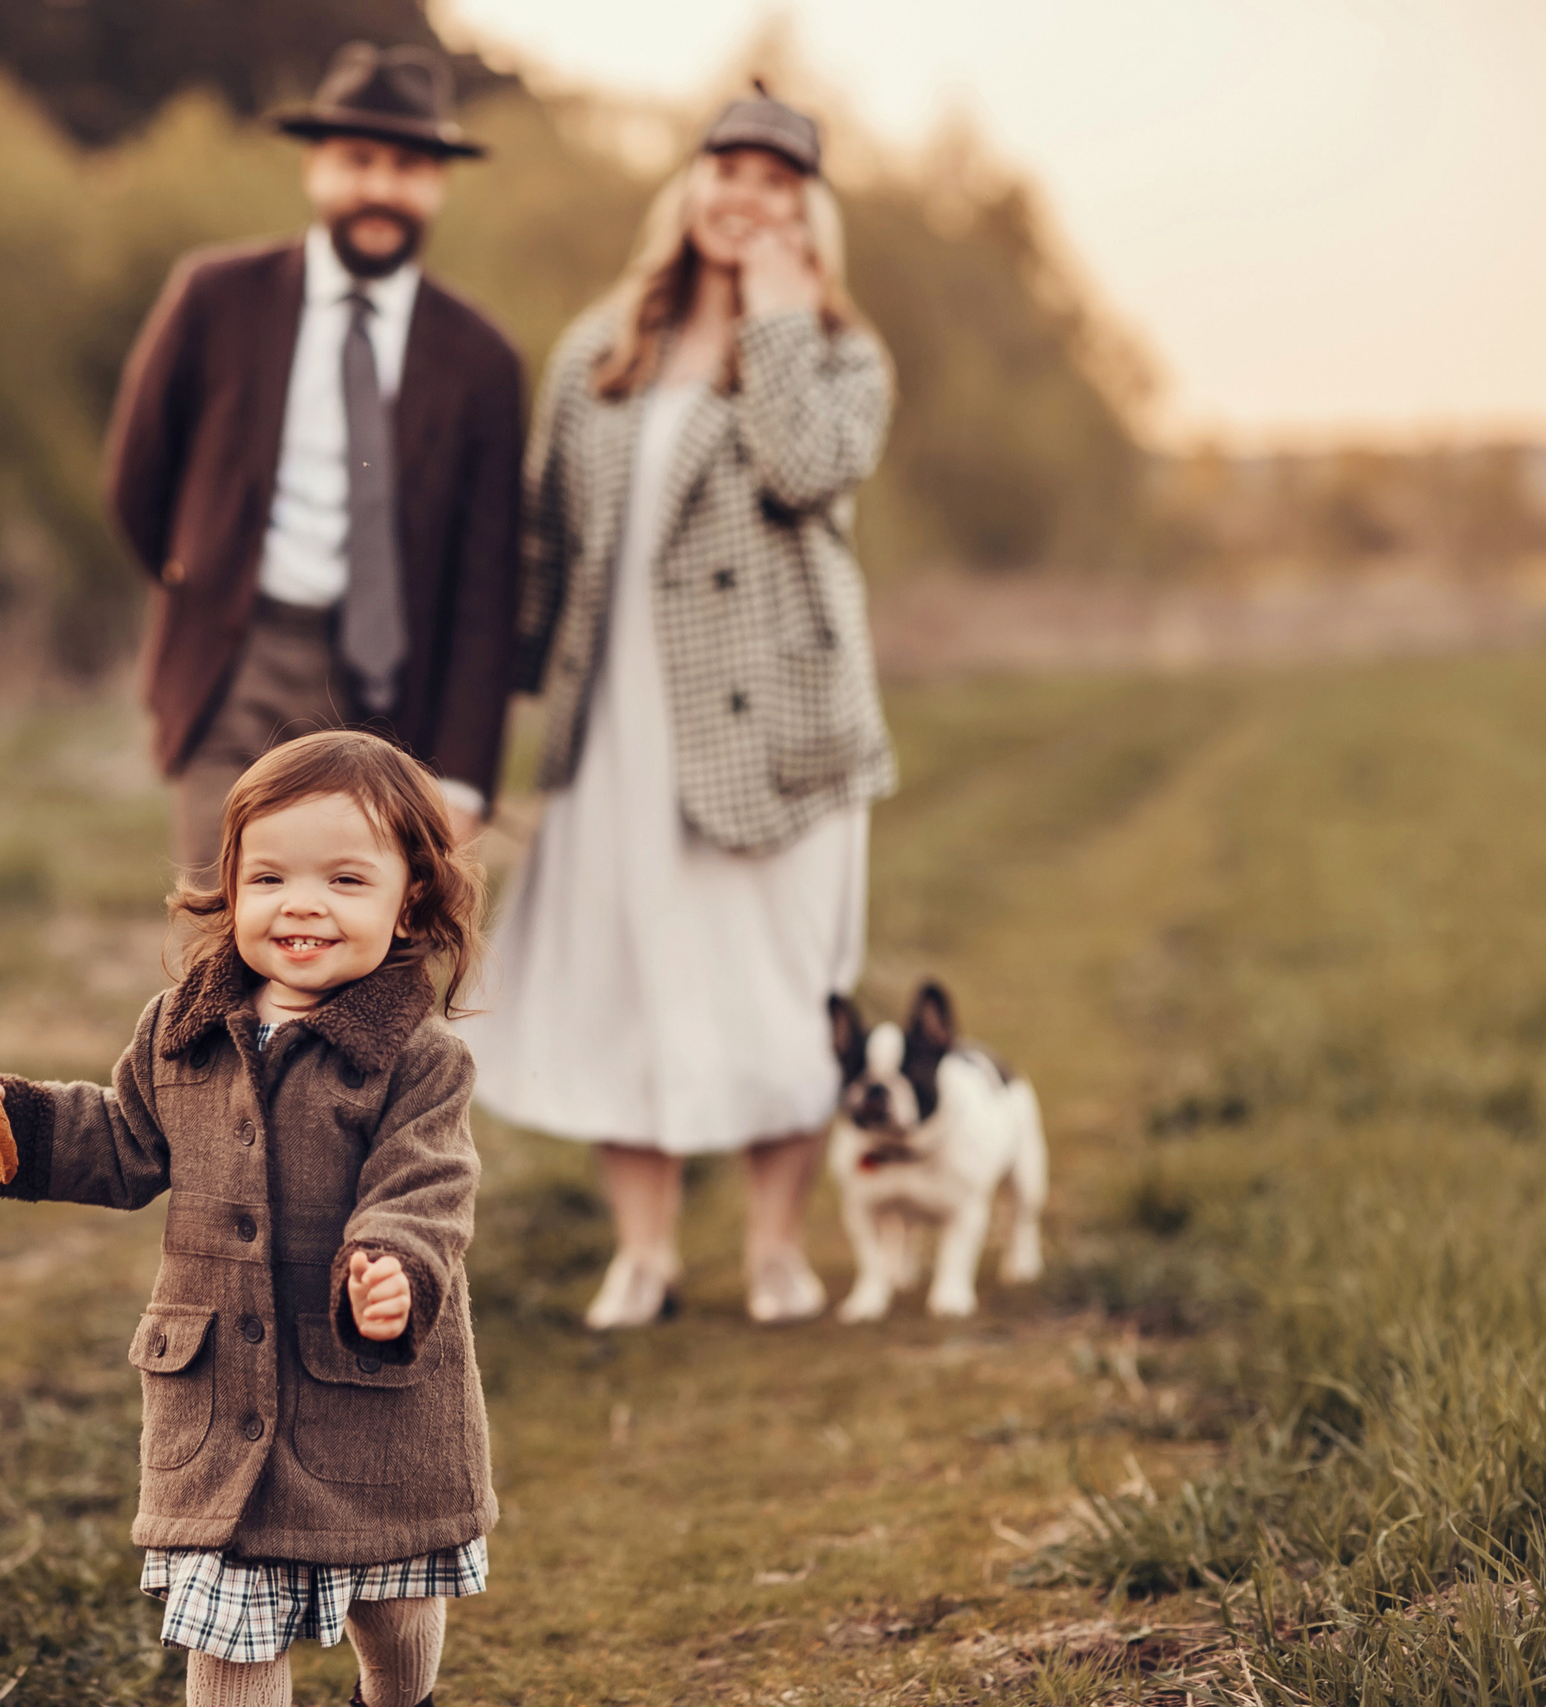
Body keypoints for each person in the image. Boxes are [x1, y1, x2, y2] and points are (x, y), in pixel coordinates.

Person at [461, 85, 897, 1331]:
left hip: (776, 732)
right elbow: (544, 545)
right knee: (626, 977)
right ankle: (643, 1254)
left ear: (806, 210)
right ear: (692, 185)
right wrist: (469, 738)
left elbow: (809, 469)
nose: (745, 200)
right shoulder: (602, 347)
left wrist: (770, 322)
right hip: (621, 727)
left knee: (777, 987)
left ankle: (771, 1250)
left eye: (776, 184)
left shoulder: (837, 351)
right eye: (727, 173)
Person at [0, 729, 495, 1707]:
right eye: (270, 876)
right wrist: (16, 1127)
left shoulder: (418, 1054)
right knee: (230, 1625)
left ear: (410, 898)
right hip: (217, 1396)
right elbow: (124, 1143)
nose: (302, 904)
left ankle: (396, 1702)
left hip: (369, 1394)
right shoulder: (180, 1029)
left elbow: (425, 1183)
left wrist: (393, 1268)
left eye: (345, 881)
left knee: (395, 1598)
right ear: (231, 884)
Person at [105, 42, 526, 879]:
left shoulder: (482, 358)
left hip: (393, 693)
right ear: (315, 167)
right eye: (357, 159)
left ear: (437, 182)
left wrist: (469, 774)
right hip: (237, 659)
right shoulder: (214, 297)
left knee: (362, 960)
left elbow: (488, 590)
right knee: (222, 933)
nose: (379, 186)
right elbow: (137, 481)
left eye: (407, 165)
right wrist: (206, 577)